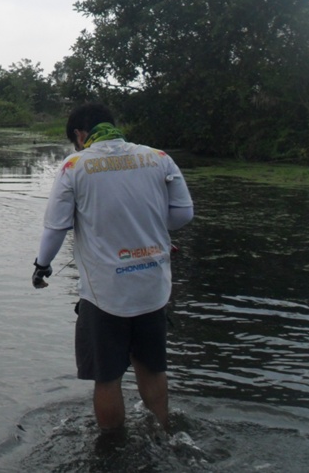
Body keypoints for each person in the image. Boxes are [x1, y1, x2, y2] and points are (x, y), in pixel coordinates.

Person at [32, 103, 193, 433]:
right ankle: (165, 432)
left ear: (80, 134)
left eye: (75, 140)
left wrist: (41, 266)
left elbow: (55, 229)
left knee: (107, 378)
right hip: (153, 289)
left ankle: (112, 449)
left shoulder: (74, 166)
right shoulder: (159, 158)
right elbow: (183, 215)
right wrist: (147, 228)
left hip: (105, 295)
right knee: (152, 369)